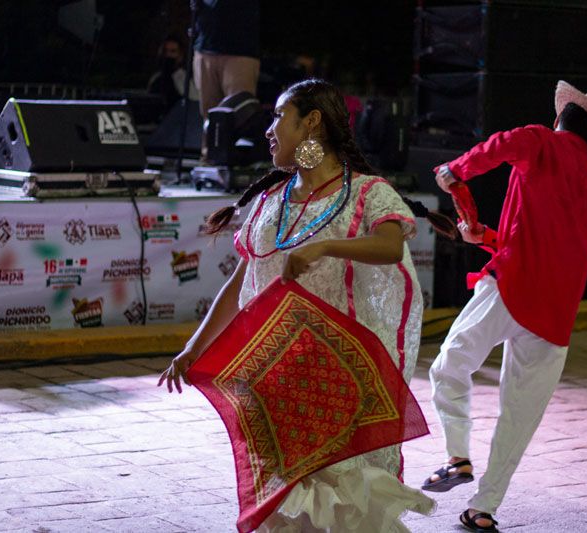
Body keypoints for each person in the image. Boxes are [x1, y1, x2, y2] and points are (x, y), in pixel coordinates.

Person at [158, 78, 455, 532]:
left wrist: (326, 248)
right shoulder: (269, 201)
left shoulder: (367, 192)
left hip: (337, 376)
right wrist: (193, 349)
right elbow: (243, 278)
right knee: (289, 504)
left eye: (279, 116)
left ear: (311, 122)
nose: (269, 129)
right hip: (277, 377)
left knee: (342, 502)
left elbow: (390, 246)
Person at [421, 81, 587, 532]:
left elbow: (500, 145)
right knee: (520, 413)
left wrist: (454, 169)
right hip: (555, 315)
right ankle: (483, 508)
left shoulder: (541, 140)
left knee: (449, 366)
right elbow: (549, 240)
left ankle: (457, 455)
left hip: (513, 287)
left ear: (561, 117)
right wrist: (489, 237)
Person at [192, 0, 262, 160]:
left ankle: (235, 161)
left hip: (240, 50)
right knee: (208, 112)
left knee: (239, 112)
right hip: (205, 47)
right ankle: (209, 159)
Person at [147, 34, 199, 113]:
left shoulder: (184, 79)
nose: (168, 55)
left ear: (180, 55)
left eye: (173, 51)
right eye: (165, 51)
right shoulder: (156, 78)